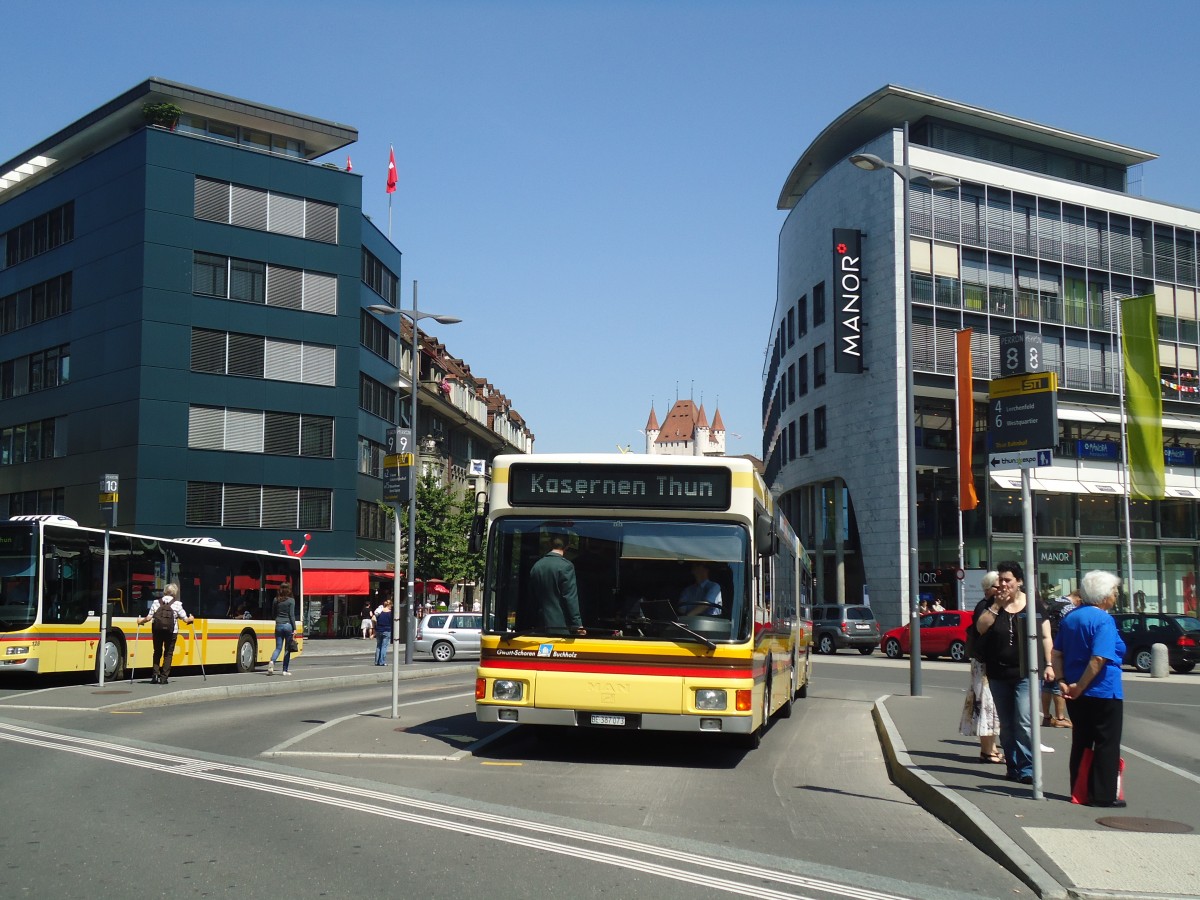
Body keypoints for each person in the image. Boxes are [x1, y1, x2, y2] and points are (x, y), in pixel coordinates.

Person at [974, 560, 1054, 784]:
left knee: (1024, 721)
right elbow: (980, 628)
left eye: (1007, 580)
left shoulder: (1033, 604)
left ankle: (1027, 768)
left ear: (1018, 582)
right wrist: (997, 605)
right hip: (999, 674)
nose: (1002, 584)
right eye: (1000, 580)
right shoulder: (992, 603)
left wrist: (1049, 664)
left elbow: (1046, 636)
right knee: (1007, 726)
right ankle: (1013, 765)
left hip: (1027, 673)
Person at [1052, 570, 1127, 808]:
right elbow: (1099, 658)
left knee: (1081, 740)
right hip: (1103, 689)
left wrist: (1064, 682)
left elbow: (1056, 653)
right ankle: (1103, 795)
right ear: (1104, 595)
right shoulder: (1103, 619)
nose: (1116, 595)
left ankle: (1079, 789)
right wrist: (1080, 686)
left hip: (1076, 691)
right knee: (1107, 742)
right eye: (1114, 591)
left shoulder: (1071, 618)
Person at [961, 572, 1003, 763]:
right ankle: (987, 751)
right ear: (988, 589)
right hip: (984, 664)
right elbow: (984, 632)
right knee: (986, 707)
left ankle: (991, 748)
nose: (1001, 588)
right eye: (997, 585)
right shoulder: (985, 607)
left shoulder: (988, 606)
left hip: (987, 664)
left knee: (991, 708)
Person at [137, 583, 193, 685]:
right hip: (172, 632)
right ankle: (164, 678)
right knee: (168, 654)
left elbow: (149, 618)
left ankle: (155, 675)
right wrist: (191, 619)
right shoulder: (177, 604)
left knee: (157, 652)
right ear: (175, 593)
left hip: (157, 630)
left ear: (164, 591)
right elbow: (186, 620)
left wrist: (140, 621)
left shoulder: (156, 602)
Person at [529, 533, 585, 635]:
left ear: (550, 544)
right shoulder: (566, 566)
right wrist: (577, 625)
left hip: (540, 625)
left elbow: (532, 598)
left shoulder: (536, 566)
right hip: (561, 627)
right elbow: (570, 597)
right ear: (567, 546)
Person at [1041, 590, 1077, 729]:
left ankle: (1046, 717)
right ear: (1078, 598)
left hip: (1046, 645)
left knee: (1047, 684)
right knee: (1058, 683)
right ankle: (1060, 717)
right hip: (1059, 647)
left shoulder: (1053, 602)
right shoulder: (1069, 608)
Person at [267, 583, 296, 675]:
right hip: (288, 626)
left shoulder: (276, 600)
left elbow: (273, 612)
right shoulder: (291, 601)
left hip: (278, 625)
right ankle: (284, 670)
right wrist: (294, 628)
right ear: (289, 590)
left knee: (278, 647)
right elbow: (292, 615)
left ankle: (272, 661)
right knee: (287, 649)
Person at [372, 598, 393, 665]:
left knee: (378, 646)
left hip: (378, 630)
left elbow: (374, 619)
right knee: (384, 646)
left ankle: (376, 661)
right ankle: (382, 662)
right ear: (389, 605)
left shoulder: (379, 612)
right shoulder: (390, 613)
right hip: (387, 630)